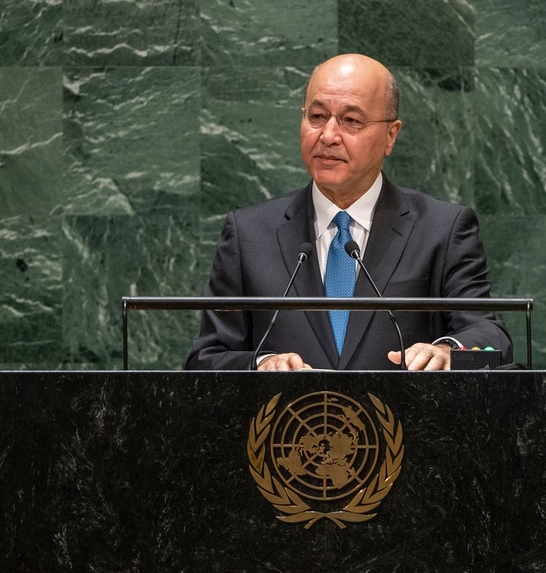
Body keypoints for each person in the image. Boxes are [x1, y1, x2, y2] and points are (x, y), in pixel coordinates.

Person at [185, 53, 512, 371]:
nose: (327, 136)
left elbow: (489, 336)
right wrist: (260, 365)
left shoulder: (443, 229)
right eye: (316, 117)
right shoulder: (249, 233)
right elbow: (205, 360)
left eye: (351, 121)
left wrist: (446, 352)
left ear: (390, 135)